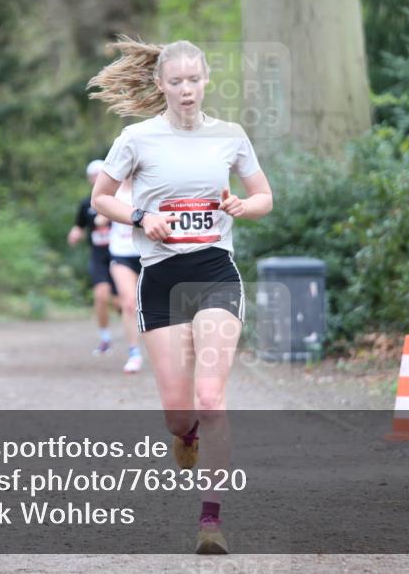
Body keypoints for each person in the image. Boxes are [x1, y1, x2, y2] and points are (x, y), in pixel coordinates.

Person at [87, 37, 273, 554]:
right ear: (160, 84)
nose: (187, 89)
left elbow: (264, 195)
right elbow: (101, 198)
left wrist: (243, 205)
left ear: (206, 80)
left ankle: (211, 521)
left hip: (215, 273)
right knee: (179, 412)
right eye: (177, 81)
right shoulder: (137, 138)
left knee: (211, 399)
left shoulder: (230, 136)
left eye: (194, 80)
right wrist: (142, 216)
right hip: (161, 280)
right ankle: (184, 435)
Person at [67, 160, 117, 356]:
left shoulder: (120, 199)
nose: (97, 178)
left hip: (119, 255)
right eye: (93, 176)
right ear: (89, 179)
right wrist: (75, 234)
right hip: (98, 256)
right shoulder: (85, 204)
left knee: (123, 303)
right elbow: (79, 226)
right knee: (101, 296)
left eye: (100, 174)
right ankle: (105, 338)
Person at [108, 178, 145, 373]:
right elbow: (98, 210)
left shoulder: (151, 183)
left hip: (149, 252)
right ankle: (134, 353)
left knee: (157, 303)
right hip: (121, 253)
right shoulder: (112, 187)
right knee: (129, 302)